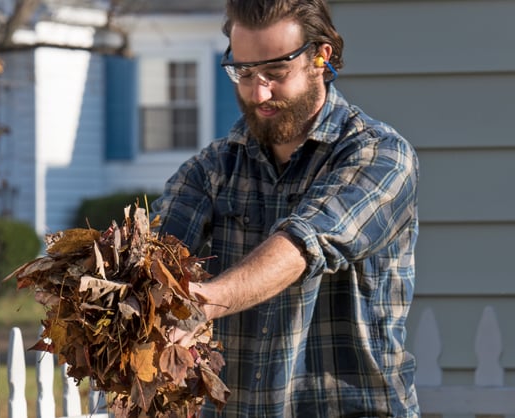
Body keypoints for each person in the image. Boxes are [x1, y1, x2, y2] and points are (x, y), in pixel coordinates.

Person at [152, 0, 420, 416]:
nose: (259, 92)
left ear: (320, 57)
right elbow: (154, 259)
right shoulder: (211, 171)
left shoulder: (380, 156)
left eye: (276, 73)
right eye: (244, 73)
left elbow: (305, 243)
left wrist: (204, 302)